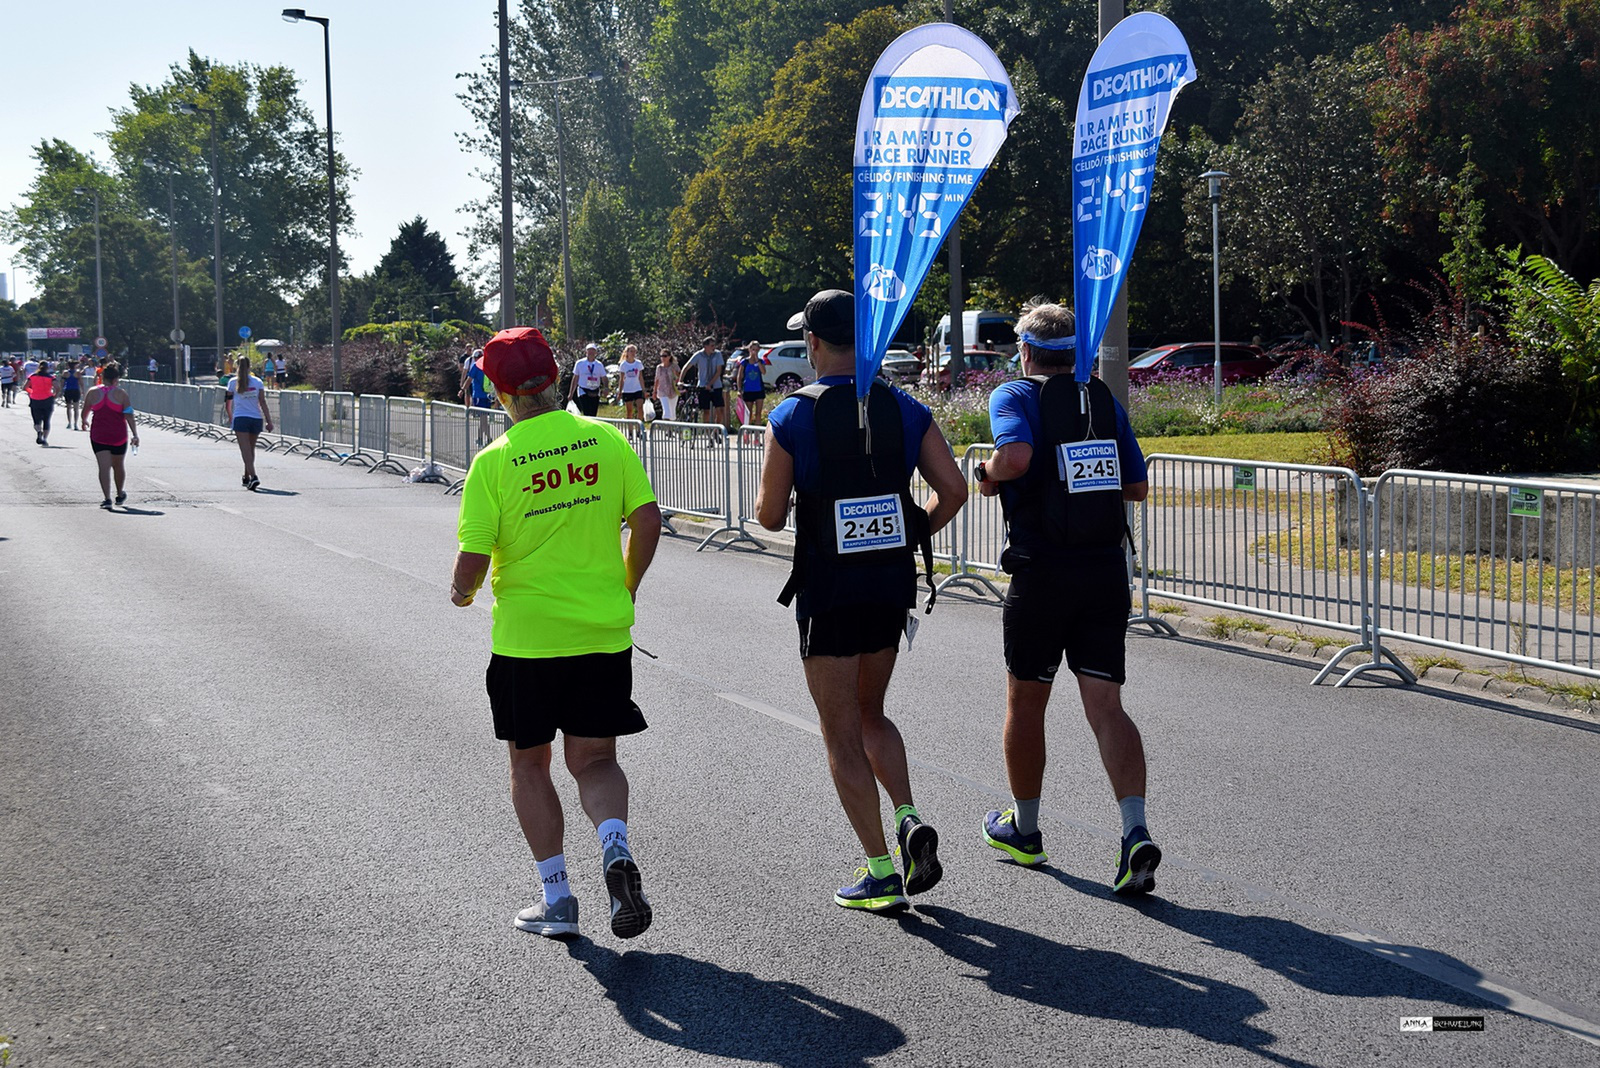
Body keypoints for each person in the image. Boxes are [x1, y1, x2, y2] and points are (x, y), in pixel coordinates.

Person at [755, 289, 968, 911]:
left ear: (814, 344)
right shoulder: (904, 407)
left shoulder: (792, 415)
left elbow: (769, 517)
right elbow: (953, 491)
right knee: (872, 712)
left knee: (840, 730)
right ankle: (906, 817)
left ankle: (880, 870)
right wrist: (902, 533)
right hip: (889, 584)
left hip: (828, 589)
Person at [450, 325, 662, 941]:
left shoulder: (493, 464)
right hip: (601, 632)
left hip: (528, 642)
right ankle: (615, 848)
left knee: (530, 763)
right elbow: (647, 520)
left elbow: (472, 562)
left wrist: (461, 593)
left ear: (498, 391)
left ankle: (558, 899)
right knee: (595, 759)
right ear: (560, 376)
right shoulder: (603, 438)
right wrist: (626, 586)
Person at [975, 302, 1160, 896]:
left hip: (1044, 572)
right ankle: (1134, 831)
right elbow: (1137, 486)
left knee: (1027, 704)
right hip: (1105, 569)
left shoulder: (1016, 396)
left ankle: (1025, 830)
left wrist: (989, 471)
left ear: (1025, 351)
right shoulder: (1103, 400)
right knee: (1107, 706)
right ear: (1075, 352)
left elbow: (1017, 456)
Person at [84, 361, 139, 509]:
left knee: (103, 467)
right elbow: (129, 415)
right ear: (116, 380)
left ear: (102, 377)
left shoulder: (93, 392)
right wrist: (135, 434)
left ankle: (107, 498)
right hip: (118, 435)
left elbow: (85, 410)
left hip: (98, 435)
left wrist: (83, 421)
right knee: (118, 465)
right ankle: (120, 494)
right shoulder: (121, 394)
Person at [224, 355, 274, 490]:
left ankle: (254, 476)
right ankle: (246, 477)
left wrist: (230, 416)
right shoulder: (258, 382)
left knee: (245, 450)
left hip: (241, 418)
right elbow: (262, 402)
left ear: (236, 366)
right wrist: (269, 421)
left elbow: (228, 402)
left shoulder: (232, 382)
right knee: (250, 450)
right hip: (256, 418)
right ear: (250, 366)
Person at [680, 336, 725, 433]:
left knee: (720, 410)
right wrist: (680, 380)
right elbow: (686, 367)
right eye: (711, 345)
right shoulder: (699, 355)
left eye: (714, 345)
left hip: (716, 385)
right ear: (705, 346)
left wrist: (710, 384)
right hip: (703, 386)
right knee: (706, 411)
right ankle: (708, 434)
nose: (714, 347)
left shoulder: (717, 354)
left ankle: (716, 431)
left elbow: (718, 371)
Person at [464, 348, 496, 447]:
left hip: (478, 395)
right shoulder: (488, 365)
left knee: (483, 419)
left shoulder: (476, 366)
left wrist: (462, 389)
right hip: (488, 395)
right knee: (484, 418)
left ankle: (485, 438)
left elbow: (469, 379)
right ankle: (482, 438)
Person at [733, 340, 769, 426]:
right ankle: (747, 434)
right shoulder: (744, 362)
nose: (754, 352)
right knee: (748, 414)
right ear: (749, 349)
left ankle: (757, 436)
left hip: (759, 389)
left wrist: (757, 361)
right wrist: (739, 389)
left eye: (756, 350)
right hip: (748, 390)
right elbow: (740, 376)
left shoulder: (760, 361)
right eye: (753, 349)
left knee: (758, 413)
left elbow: (763, 372)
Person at [568, 343, 608, 417]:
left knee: (593, 414)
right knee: (586, 412)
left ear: (596, 353)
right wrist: (571, 393)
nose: (591, 353)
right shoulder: (580, 363)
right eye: (589, 350)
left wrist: (606, 388)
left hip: (595, 390)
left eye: (593, 351)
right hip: (583, 390)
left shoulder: (599, 365)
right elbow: (575, 378)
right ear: (586, 352)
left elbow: (604, 377)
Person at [26, 360, 56, 445]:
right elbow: (57, 387)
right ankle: (45, 439)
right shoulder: (51, 377)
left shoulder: (32, 376)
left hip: (35, 399)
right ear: (47, 368)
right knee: (47, 420)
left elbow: (25, 387)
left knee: (36, 420)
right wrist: (55, 394)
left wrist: (31, 391)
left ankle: (39, 431)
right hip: (47, 399)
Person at [616, 344, 646, 424]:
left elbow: (640, 377)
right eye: (631, 351)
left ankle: (640, 428)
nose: (633, 353)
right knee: (629, 410)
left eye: (634, 351)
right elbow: (621, 379)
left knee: (640, 407)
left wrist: (644, 390)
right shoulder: (623, 365)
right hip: (627, 390)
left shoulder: (638, 363)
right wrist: (620, 391)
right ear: (627, 352)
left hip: (637, 389)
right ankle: (630, 430)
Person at [652, 350, 680, 422]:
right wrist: (654, 392)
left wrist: (675, 373)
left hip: (673, 391)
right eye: (661, 356)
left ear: (669, 357)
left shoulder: (674, 366)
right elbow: (657, 379)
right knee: (666, 411)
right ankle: (666, 429)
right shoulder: (659, 367)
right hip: (662, 391)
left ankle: (671, 429)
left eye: (665, 356)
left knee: (672, 412)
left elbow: (679, 377)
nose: (663, 358)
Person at [60, 360, 84, 431]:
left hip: (68, 390)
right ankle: (75, 423)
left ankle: (69, 422)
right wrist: (82, 391)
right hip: (75, 390)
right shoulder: (78, 373)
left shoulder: (65, 373)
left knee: (68, 407)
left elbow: (62, 382)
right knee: (76, 408)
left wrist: (61, 391)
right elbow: (81, 382)